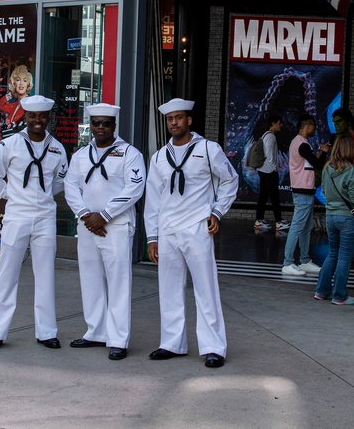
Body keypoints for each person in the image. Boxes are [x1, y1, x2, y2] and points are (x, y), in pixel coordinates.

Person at [144, 98, 238, 369]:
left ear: (189, 120)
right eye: (170, 119)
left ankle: (213, 347)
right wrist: (153, 237)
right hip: (168, 229)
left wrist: (217, 211)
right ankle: (172, 343)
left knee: (205, 288)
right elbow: (153, 199)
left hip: (197, 226)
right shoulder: (160, 156)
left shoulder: (208, 149)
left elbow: (230, 179)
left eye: (179, 117)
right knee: (168, 289)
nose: (174, 122)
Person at [0, 94, 69, 352]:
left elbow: (59, 183)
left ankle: (46, 332)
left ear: (48, 118)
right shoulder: (10, 145)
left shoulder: (57, 148)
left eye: (42, 116)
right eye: (33, 116)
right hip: (16, 216)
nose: (37, 121)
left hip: (45, 217)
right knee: (6, 274)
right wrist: (11, 195)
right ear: (26, 117)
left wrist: (39, 198)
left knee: (45, 275)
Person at [64, 103, 146, 361]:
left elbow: (134, 188)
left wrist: (105, 215)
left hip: (116, 226)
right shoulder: (79, 156)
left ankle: (118, 339)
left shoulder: (129, 153)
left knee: (118, 283)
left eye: (106, 123)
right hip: (88, 226)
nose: (101, 127)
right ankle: (95, 332)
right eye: (96, 123)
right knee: (90, 280)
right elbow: (70, 187)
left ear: (114, 125)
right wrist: (87, 216)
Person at [314, 136, 354, 306]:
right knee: (345, 257)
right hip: (346, 218)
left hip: (330, 216)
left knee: (332, 254)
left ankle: (321, 291)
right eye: (353, 148)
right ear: (347, 150)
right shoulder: (351, 171)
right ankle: (339, 295)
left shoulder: (327, 168)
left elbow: (324, 190)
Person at [281, 113, 330, 277]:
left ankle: (304, 260)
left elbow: (309, 162)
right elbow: (317, 164)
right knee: (297, 226)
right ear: (307, 126)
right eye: (313, 126)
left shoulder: (302, 144)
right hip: (302, 189)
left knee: (306, 227)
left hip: (305, 189)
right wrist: (323, 152)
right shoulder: (301, 144)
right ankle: (287, 262)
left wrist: (319, 152)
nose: (314, 129)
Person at [253, 115, 287, 232]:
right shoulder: (271, 136)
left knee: (263, 196)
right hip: (268, 171)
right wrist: (274, 168)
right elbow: (269, 155)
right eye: (279, 122)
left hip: (262, 170)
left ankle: (259, 220)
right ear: (273, 123)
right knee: (274, 197)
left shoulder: (265, 135)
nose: (280, 125)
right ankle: (278, 222)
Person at [0, 64, 33, 130]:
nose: (21, 83)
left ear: (28, 84)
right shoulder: (14, 105)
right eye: (18, 80)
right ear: (14, 83)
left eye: (25, 80)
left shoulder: (30, 104)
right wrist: (11, 93)